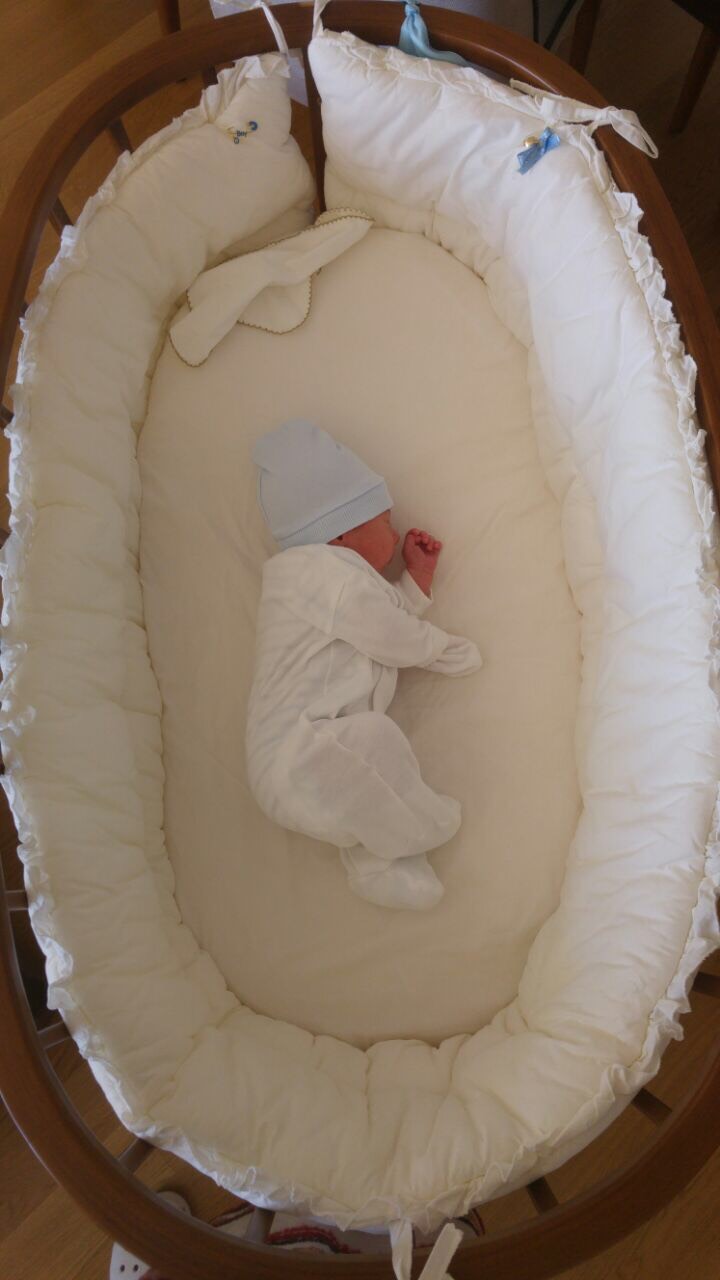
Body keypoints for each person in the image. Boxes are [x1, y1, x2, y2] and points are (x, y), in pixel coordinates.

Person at [245, 420, 482, 910]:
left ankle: (377, 862)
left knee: (363, 780)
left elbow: (376, 623)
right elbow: (390, 636)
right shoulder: (319, 574)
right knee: (372, 741)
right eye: (385, 522)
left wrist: (416, 578)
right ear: (342, 531)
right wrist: (443, 649)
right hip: (297, 752)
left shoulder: (332, 584)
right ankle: (426, 826)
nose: (394, 535)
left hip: (308, 763)